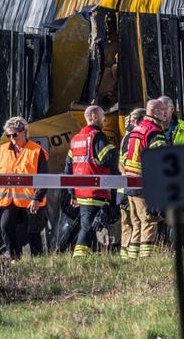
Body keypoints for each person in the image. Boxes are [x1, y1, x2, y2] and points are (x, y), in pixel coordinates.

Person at [0, 117, 49, 259]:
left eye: (14, 134)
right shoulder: (2, 150)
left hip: (31, 201)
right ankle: (15, 258)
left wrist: (37, 198)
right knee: (5, 228)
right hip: (7, 200)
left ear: (24, 132)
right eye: (8, 135)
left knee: (33, 234)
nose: (11, 138)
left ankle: (38, 264)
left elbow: (44, 178)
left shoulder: (36, 151)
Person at [65, 105, 118, 258]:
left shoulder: (75, 139)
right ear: (94, 117)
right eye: (103, 116)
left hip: (81, 193)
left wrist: (72, 193)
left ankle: (91, 256)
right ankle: (79, 258)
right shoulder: (97, 136)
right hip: (95, 191)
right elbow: (108, 158)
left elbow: (68, 169)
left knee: (92, 225)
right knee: (88, 228)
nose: (105, 119)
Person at [121, 99, 168, 257]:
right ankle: (147, 259)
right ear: (153, 112)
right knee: (149, 221)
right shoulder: (154, 131)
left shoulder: (137, 129)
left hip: (130, 182)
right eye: (162, 110)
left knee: (136, 222)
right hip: (144, 183)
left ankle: (132, 257)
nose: (165, 113)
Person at [118, 108, 145, 258]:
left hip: (124, 188)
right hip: (133, 186)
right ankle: (133, 254)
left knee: (127, 223)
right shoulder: (136, 137)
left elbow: (121, 164)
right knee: (137, 221)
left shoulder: (126, 137)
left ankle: (125, 254)